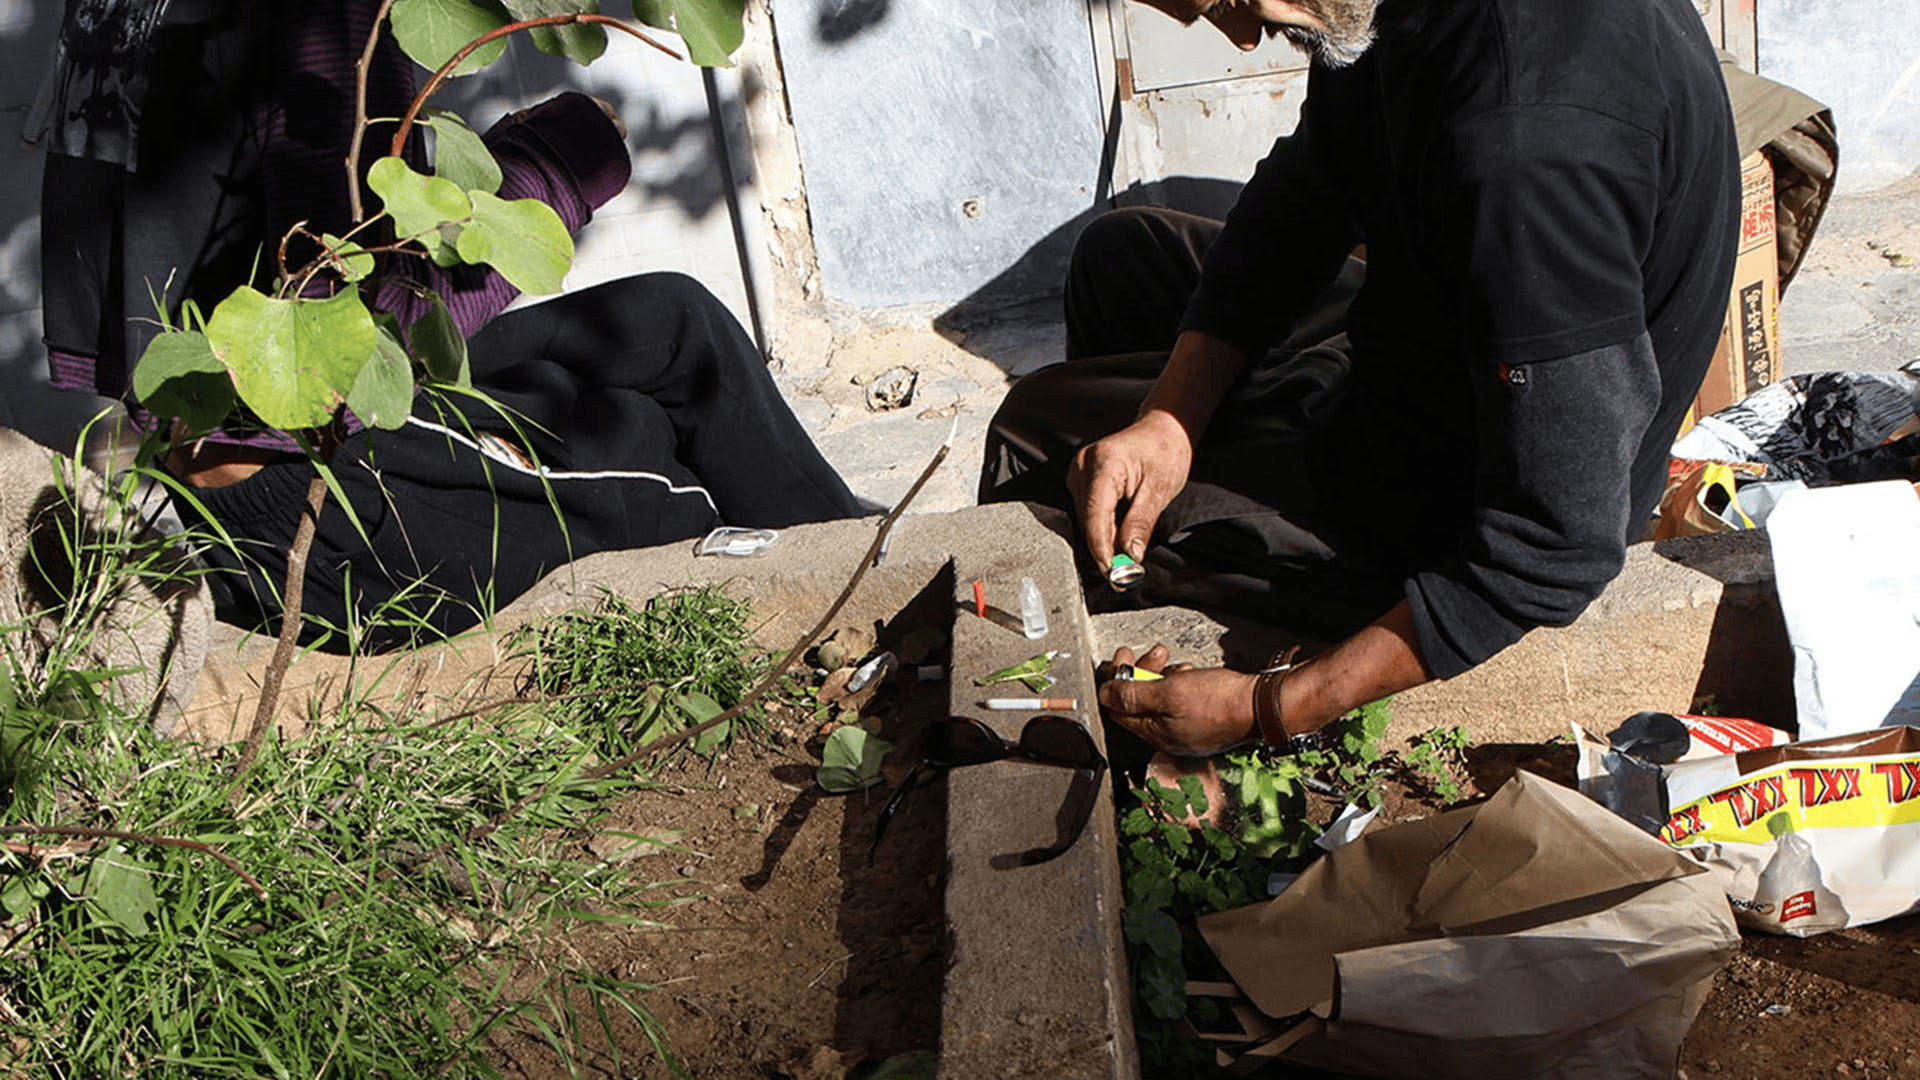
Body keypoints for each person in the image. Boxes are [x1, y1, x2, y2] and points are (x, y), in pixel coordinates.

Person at [980, 0, 1740, 755]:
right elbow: (1308, 193)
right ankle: (1160, 501)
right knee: (1122, 258)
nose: (1243, 36)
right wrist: (1168, 419)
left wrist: (1268, 705)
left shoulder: (1529, 147)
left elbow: (1553, 546)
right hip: (1437, 335)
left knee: (1038, 434)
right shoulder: (1380, 11)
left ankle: (1106, 667)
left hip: (1456, 496)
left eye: (1230, 1)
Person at [37, 1, 862, 649]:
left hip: (231, 454)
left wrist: (477, 178)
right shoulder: (326, 20)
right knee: (659, 474)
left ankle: (859, 549)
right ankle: (860, 595)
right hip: (328, 509)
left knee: (668, 320)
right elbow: (363, 349)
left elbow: (120, 325)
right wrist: (556, 172)